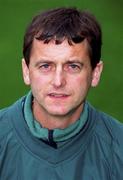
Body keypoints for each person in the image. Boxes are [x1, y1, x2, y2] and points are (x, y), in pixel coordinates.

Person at [0, 7, 123, 180]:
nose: (58, 81)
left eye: (73, 66)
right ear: (26, 71)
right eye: (45, 66)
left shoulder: (119, 148)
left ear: (95, 73)